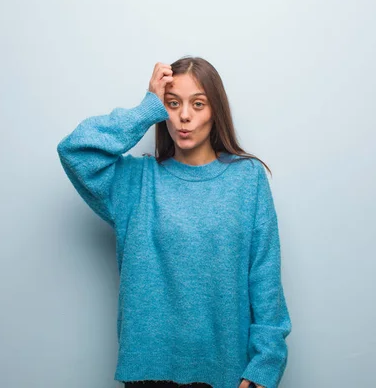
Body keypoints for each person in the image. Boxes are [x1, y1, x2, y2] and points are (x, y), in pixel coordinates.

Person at [56, 57, 292, 388]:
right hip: (149, 374)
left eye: (198, 104)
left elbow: (264, 275)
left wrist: (265, 364)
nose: (184, 115)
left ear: (216, 111)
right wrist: (146, 107)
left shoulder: (246, 179)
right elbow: (74, 150)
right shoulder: (136, 182)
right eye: (172, 103)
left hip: (226, 372)